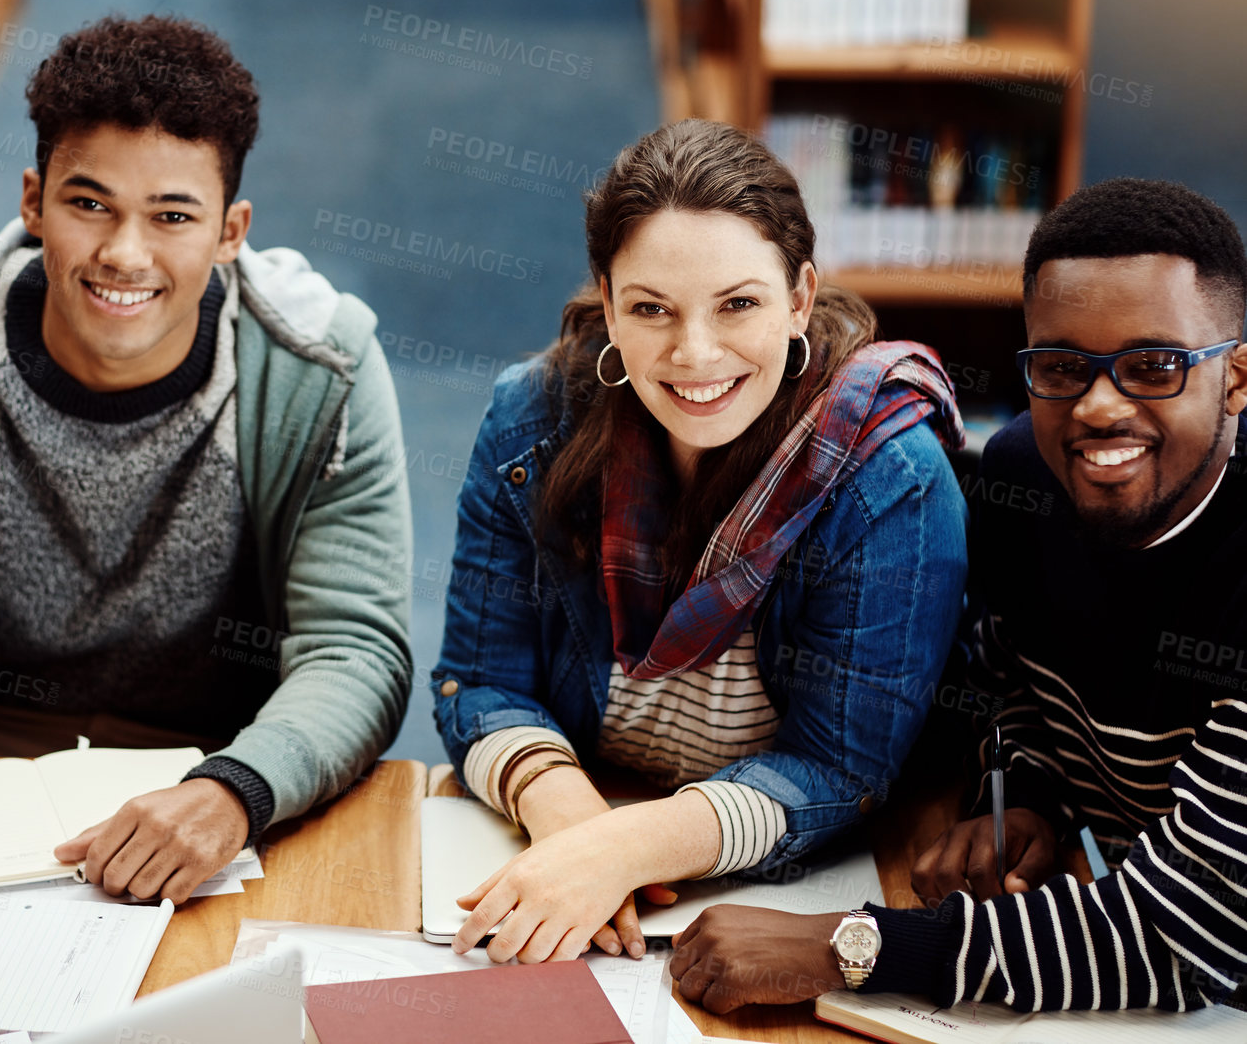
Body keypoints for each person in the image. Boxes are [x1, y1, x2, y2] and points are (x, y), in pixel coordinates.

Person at [0, 14, 412, 903]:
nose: (122, 254)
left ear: (230, 230)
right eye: (88, 204)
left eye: (172, 215)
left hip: (225, 764)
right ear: (33, 201)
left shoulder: (322, 366)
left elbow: (353, 647)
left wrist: (235, 790)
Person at [668, 177, 1247, 1014]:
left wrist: (847, 947)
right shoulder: (1023, 478)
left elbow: (1174, 938)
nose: (1099, 405)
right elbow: (1009, 682)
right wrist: (1026, 797)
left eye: (1154, 367)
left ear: (1235, 379)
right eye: (1061, 366)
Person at [432, 119, 968, 965]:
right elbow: (478, 682)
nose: (694, 354)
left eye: (739, 304)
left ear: (799, 298)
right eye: (651, 309)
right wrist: (568, 818)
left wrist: (623, 851)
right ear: (607, 302)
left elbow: (839, 770)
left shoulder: (890, 475)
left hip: (752, 899)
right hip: (593, 836)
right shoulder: (530, 420)